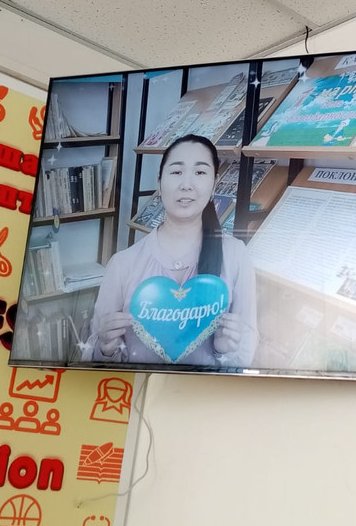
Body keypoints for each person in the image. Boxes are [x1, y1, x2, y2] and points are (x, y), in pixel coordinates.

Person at [87, 135, 256, 366]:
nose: (186, 184)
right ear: (159, 182)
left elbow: (246, 351)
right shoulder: (122, 264)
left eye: (200, 172)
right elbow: (93, 357)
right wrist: (105, 349)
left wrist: (223, 352)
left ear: (214, 184)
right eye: (176, 172)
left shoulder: (236, 256)